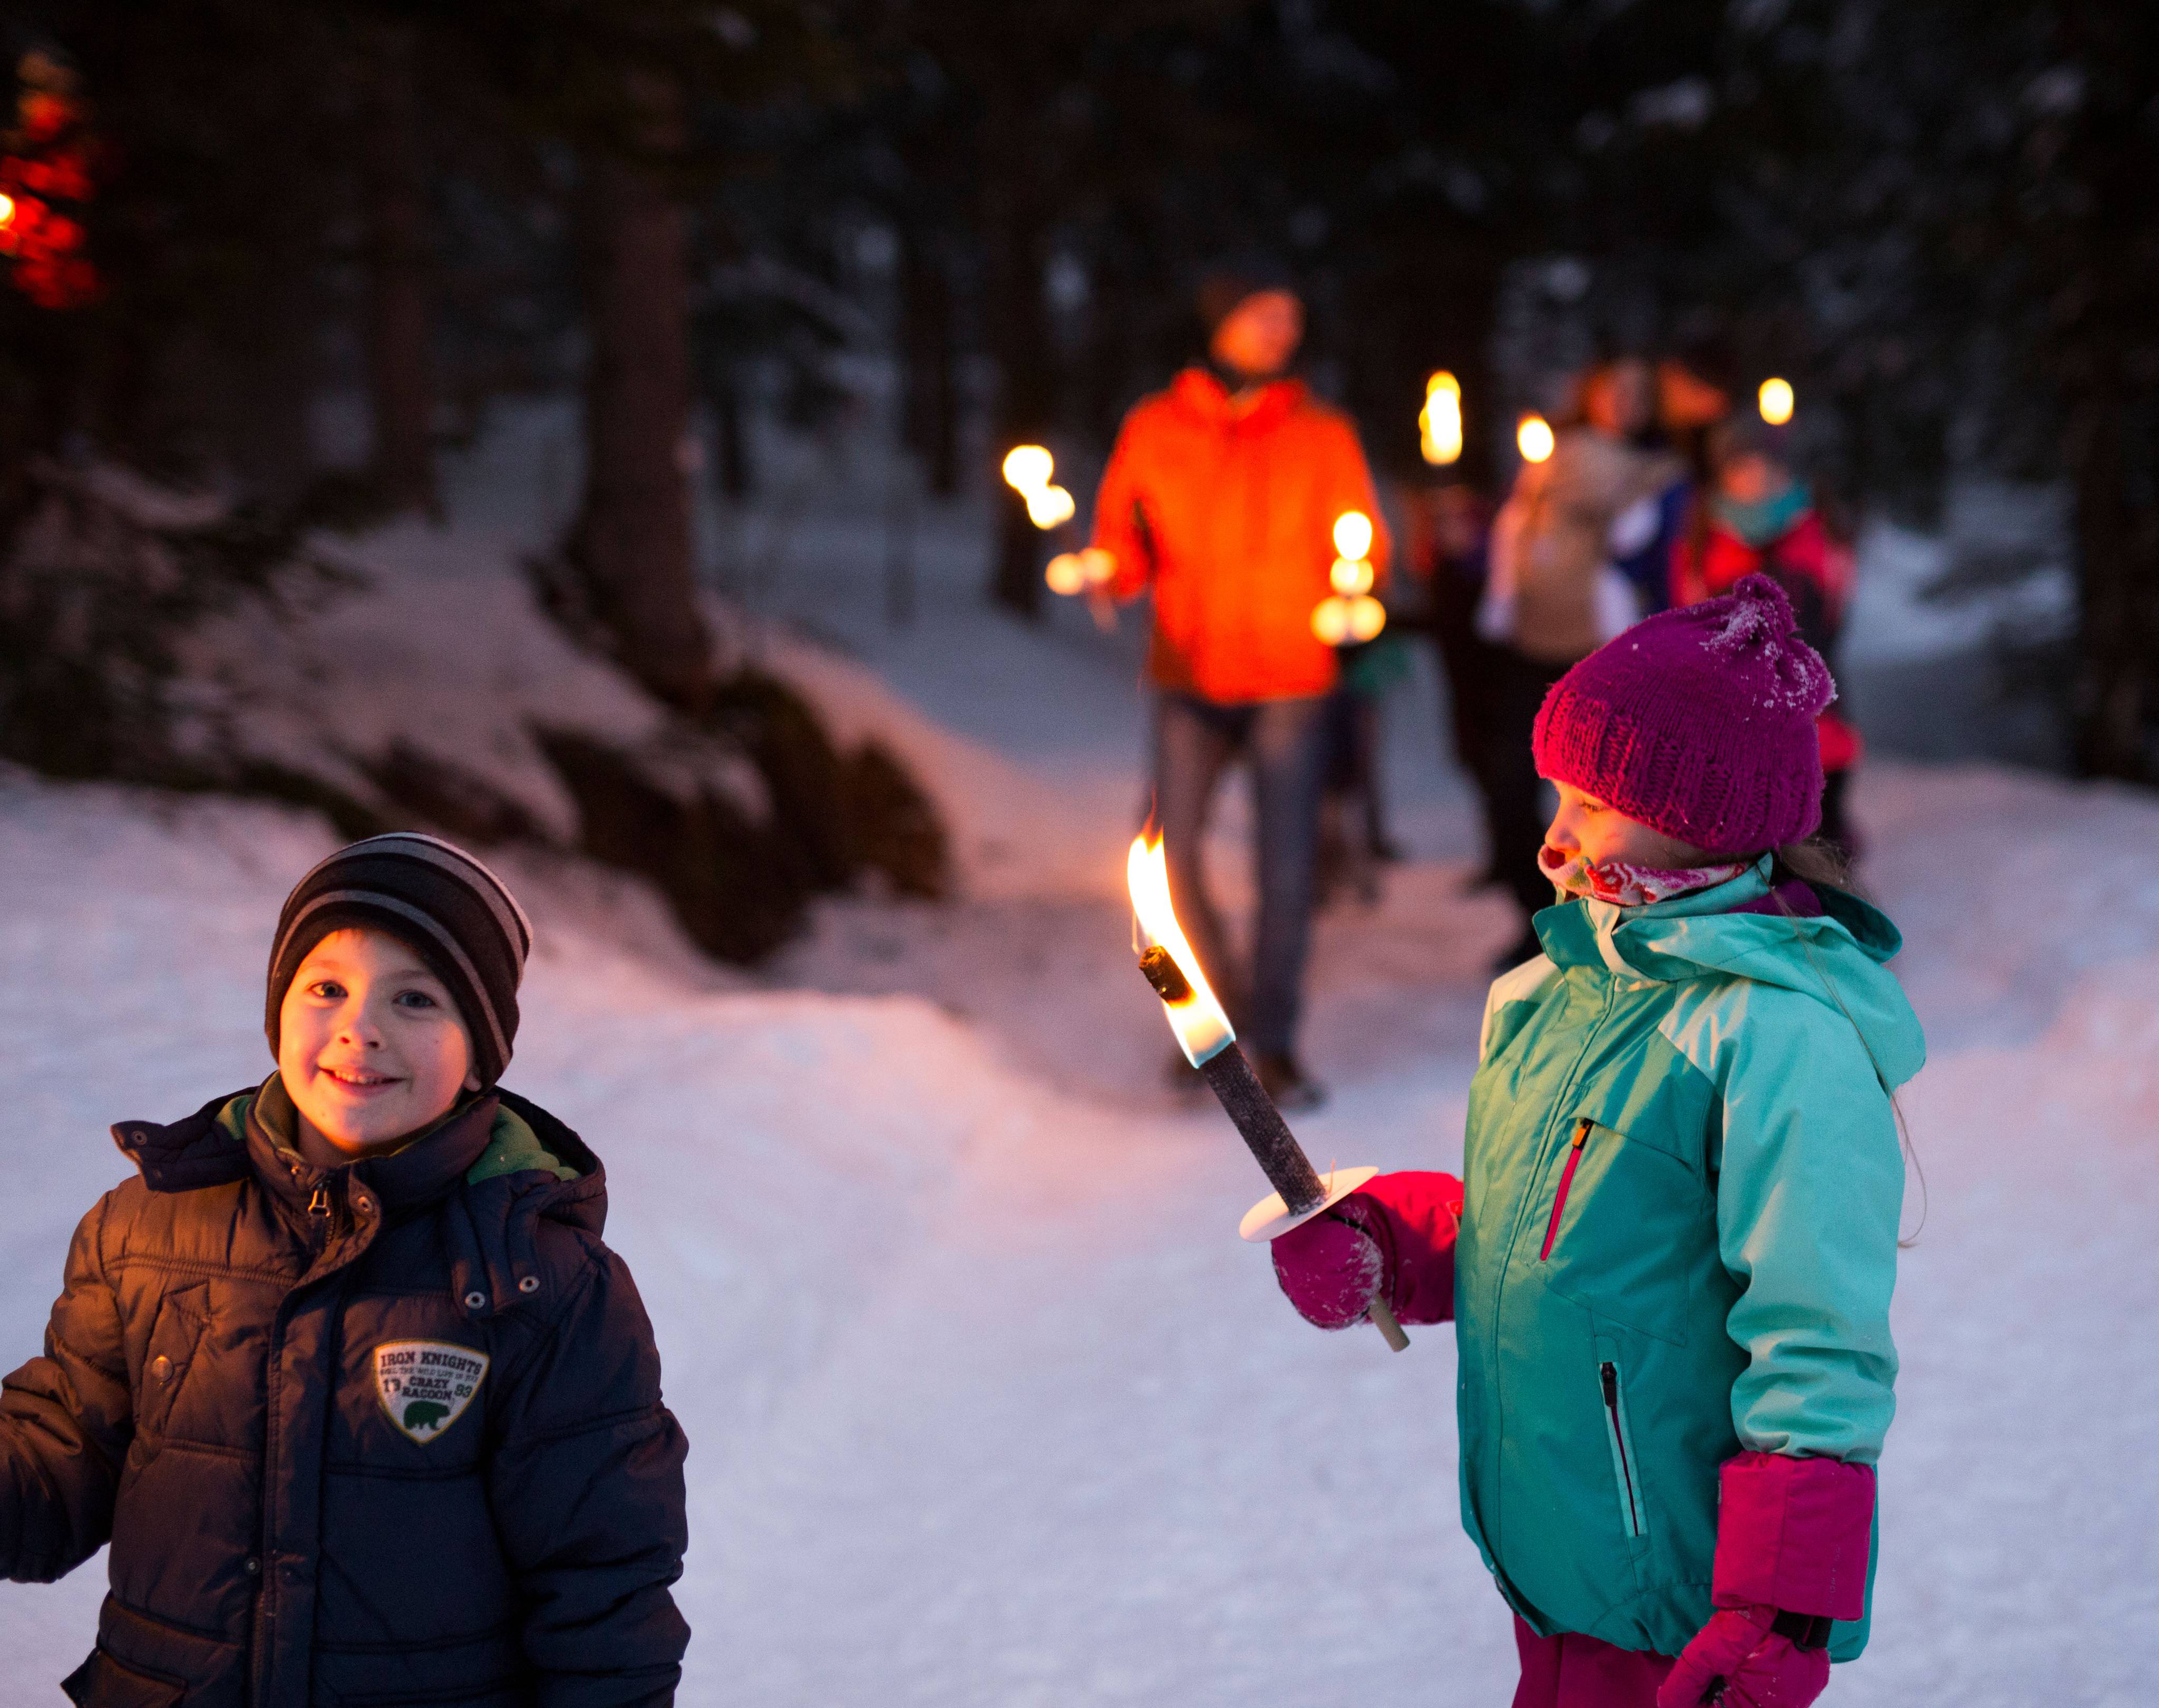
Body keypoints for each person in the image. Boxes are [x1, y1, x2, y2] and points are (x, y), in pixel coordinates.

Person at [1267, 576, 1920, 1708]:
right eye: (1552, 793)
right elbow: (1551, 1230)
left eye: (1592, 803)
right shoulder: (1554, 988)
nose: (1552, 838)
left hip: (1682, 1609)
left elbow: (1819, 1349)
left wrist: (1780, 1613)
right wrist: (1394, 1239)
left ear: (1698, 820)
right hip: (1558, 1575)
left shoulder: (1775, 1040)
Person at [0, 834, 691, 1705]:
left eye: (415, 999)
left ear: (480, 1054)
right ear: (279, 1011)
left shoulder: (542, 1284)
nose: (361, 1028)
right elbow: (60, 1462)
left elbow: (603, 1590)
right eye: (328, 988)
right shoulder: (146, 1231)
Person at [1089, 258, 1389, 1107]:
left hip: (1292, 678)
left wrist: (1356, 591)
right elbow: (1126, 537)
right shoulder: (1155, 427)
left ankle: (1279, 1044)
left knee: (1287, 871)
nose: (1279, 333)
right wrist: (1108, 568)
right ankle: (1214, 1019)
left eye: (1290, 319)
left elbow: (1363, 542)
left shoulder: (1322, 433)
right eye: (1263, 314)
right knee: (1170, 855)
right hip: (1188, 676)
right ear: (1218, 321)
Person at [1480, 358, 1680, 966]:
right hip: (1530, 643)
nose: (1625, 402)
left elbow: (1649, 557)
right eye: (1614, 387)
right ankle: (1536, 914)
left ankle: (1605, 921)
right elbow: (1513, 536)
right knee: (1512, 783)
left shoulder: (1657, 476)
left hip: (1603, 654)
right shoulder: (1547, 464)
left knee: (1605, 800)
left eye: (1639, 392)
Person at [1671, 412, 1862, 855]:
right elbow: (1689, 621)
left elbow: (1835, 609)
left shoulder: (1816, 528)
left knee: (1824, 829)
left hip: (1815, 713)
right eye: (1742, 467)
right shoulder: (1703, 539)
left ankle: (1830, 903)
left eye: (1767, 466)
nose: (1756, 478)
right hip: (1737, 717)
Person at [1408, 481, 1510, 887]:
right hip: (1463, 695)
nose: (1451, 530)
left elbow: (1490, 625)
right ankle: (1497, 856)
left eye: (1458, 521)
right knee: (1478, 773)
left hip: (1494, 695)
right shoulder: (1445, 572)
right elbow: (1434, 623)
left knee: (1504, 780)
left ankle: (1512, 860)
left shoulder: (1488, 571)